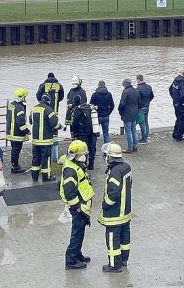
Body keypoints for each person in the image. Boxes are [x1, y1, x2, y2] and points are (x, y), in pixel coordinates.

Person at [60, 140, 94, 270]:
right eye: (83, 154)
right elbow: (70, 192)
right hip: (78, 207)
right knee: (77, 233)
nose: (85, 156)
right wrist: (78, 208)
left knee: (80, 232)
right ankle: (71, 260)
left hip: (81, 205)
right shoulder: (71, 169)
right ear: (77, 155)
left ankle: (77, 254)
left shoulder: (75, 164)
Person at [99, 143, 133, 273]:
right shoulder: (126, 167)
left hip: (115, 214)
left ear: (110, 157)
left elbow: (113, 194)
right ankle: (123, 260)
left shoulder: (114, 172)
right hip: (126, 212)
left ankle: (114, 265)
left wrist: (105, 204)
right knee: (125, 237)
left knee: (113, 239)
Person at [29, 94, 60, 181]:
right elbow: (54, 124)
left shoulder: (33, 109)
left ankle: (34, 177)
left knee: (35, 158)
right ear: (48, 101)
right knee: (45, 159)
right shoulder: (49, 110)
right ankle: (46, 177)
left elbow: (30, 121)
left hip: (35, 140)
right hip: (45, 140)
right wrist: (60, 126)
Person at [37, 73, 65, 163]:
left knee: (44, 132)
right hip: (55, 112)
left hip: (44, 112)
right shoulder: (59, 86)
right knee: (55, 133)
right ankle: (54, 157)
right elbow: (61, 97)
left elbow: (38, 96)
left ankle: (45, 155)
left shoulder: (43, 85)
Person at [6, 88, 31, 173]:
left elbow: (8, 118)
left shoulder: (11, 105)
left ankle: (15, 164)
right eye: (24, 97)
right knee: (16, 150)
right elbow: (20, 123)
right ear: (22, 98)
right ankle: (15, 167)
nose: (25, 98)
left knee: (14, 149)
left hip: (10, 132)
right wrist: (27, 131)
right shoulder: (20, 108)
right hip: (17, 134)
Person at [70, 95, 97, 170]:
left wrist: (74, 133)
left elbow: (75, 123)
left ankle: (83, 164)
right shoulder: (89, 108)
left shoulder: (77, 110)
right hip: (92, 132)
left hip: (82, 133)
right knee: (92, 148)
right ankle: (91, 165)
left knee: (83, 149)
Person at [118, 79, 140, 153]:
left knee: (128, 131)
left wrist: (119, 110)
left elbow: (122, 104)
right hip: (134, 112)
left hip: (127, 113)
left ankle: (130, 147)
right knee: (133, 130)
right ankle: (135, 146)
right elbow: (139, 102)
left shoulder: (125, 92)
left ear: (125, 84)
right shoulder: (136, 90)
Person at [169, 71, 184, 141]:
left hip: (175, 103)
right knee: (182, 119)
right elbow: (183, 94)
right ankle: (179, 135)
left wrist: (174, 99)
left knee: (178, 118)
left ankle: (175, 134)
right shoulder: (183, 82)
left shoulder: (175, 81)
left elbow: (170, 89)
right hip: (181, 104)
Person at [135, 75, 154, 145]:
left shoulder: (138, 88)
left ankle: (144, 139)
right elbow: (152, 96)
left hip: (141, 107)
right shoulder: (149, 87)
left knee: (142, 123)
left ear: (138, 79)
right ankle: (146, 136)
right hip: (147, 106)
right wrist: (148, 102)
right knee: (146, 122)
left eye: (136, 79)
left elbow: (137, 99)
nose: (136, 81)